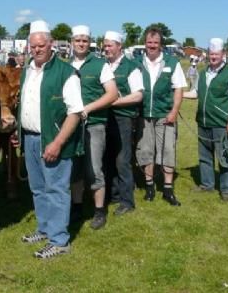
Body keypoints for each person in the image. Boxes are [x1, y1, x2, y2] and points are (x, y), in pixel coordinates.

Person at [17, 20, 83, 259]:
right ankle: (45, 228)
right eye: (33, 46)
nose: (37, 50)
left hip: (54, 140)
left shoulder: (66, 73)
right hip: (31, 138)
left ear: (51, 44)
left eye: (41, 45)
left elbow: (75, 112)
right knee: (38, 188)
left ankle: (59, 240)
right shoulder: (28, 71)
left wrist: (57, 142)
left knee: (56, 189)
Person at [69, 25, 118, 229]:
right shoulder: (66, 65)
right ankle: (77, 207)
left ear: (90, 43)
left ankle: (99, 211)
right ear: (72, 42)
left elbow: (112, 94)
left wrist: (88, 108)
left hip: (94, 125)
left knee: (94, 169)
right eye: (77, 40)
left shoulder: (100, 65)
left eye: (85, 40)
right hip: (71, 126)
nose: (81, 44)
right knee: (75, 169)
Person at [184, 38, 228, 201]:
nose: (213, 57)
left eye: (216, 54)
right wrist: (179, 94)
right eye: (211, 54)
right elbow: (195, 93)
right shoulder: (202, 74)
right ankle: (207, 185)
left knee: (223, 158)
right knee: (204, 156)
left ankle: (226, 189)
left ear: (222, 54)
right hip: (203, 122)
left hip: (220, 123)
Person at [136, 26, 187, 206]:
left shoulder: (172, 62)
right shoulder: (136, 62)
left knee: (167, 150)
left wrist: (173, 111)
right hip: (143, 115)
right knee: (146, 151)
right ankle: (149, 187)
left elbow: (179, 89)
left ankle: (167, 189)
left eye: (155, 43)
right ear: (145, 43)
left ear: (161, 44)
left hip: (164, 114)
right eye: (149, 42)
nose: (152, 46)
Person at [103, 31, 143, 215]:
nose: (106, 48)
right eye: (105, 45)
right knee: (108, 157)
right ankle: (114, 194)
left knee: (123, 159)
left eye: (110, 45)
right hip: (105, 117)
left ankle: (127, 201)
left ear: (120, 46)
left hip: (123, 117)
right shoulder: (103, 65)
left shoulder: (131, 67)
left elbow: (138, 95)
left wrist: (115, 101)